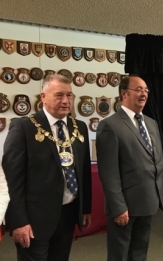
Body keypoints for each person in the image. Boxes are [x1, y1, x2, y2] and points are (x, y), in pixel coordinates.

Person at [2, 74, 92, 260]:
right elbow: (12, 180)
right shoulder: (23, 128)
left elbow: (83, 172)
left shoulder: (79, 127)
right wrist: (18, 222)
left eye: (70, 95)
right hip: (34, 219)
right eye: (59, 95)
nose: (66, 101)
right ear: (43, 96)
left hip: (68, 213)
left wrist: (85, 208)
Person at [96, 75, 163, 261]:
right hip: (125, 205)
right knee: (119, 254)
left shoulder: (151, 123)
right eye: (138, 89)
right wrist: (118, 207)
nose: (143, 94)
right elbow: (108, 173)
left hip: (149, 200)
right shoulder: (109, 126)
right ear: (124, 93)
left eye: (146, 90)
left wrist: (162, 192)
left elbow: (158, 162)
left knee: (139, 252)